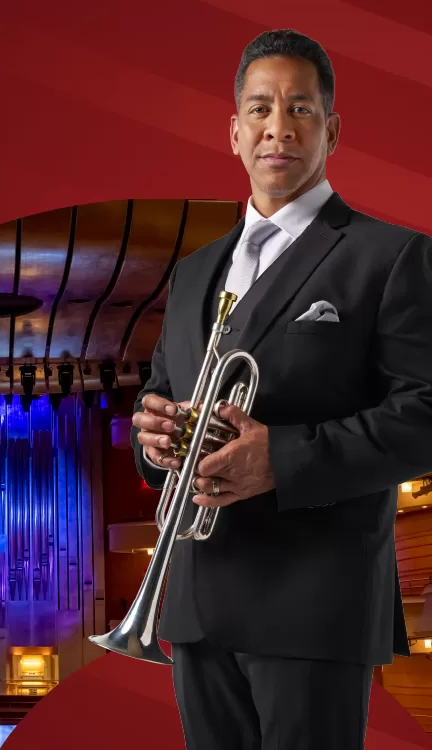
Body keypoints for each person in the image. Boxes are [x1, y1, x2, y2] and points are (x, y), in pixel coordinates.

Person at [130, 28, 432, 750]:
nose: (278, 127)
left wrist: (282, 458)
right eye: (260, 109)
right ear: (234, 133)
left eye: (300, 110)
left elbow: (425, 412)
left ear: (330, 130)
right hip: (199, 603)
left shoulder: (390, 255)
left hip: (315, 602)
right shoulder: (194, 271)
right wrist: (152, 442)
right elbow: (163, 397)